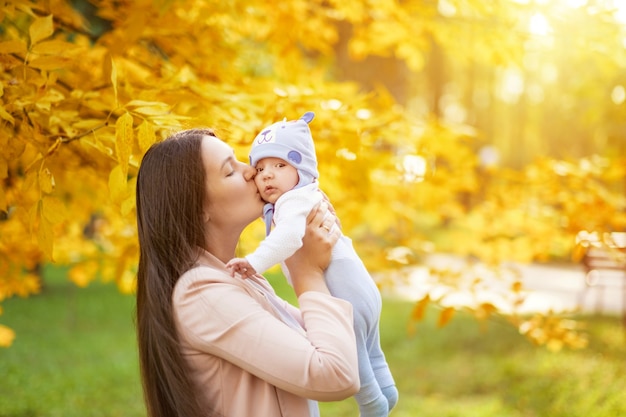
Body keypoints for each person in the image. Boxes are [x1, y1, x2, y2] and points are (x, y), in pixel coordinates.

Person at [135, 128, 360, 417]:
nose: (251, 171)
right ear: (196, 208)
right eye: (230, 171)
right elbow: (336, 374)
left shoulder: (238, 277)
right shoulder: (201, 294)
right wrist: (307, 274)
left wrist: (333, 256)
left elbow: (332, 339)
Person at [226, 112, 399, 417]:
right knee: (373, 355)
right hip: (361, 289)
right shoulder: (308, 194)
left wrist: (254, 262)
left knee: (359, 369)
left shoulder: (293, 201)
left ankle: (375, 408)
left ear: (302, 168)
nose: (267, 175)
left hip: (342, 296)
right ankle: (388, 393)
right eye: (261, 167)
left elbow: (289, 238)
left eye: (280, 165)